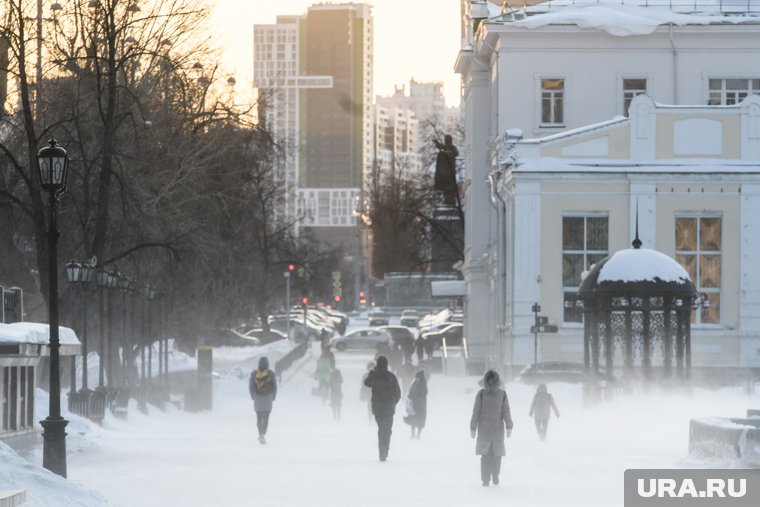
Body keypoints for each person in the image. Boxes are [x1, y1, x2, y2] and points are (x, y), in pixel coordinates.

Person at [470, 370, 513, 487]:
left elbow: (506, 411)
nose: (491, 382)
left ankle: (495, 474)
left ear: (497, 381)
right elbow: (476, 411)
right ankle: (485, 479)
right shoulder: (481, 394)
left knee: (497, 456)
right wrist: (472, 427)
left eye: (494, 380)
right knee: (485, 457)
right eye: (490, 380)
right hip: (484, 431)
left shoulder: (502, 394)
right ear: (486, 381)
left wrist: (509, 426)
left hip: (498, 431)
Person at [363, 355, 401, 462]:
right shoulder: (391, 376)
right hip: (389, 407)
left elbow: (367, 383)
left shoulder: (374, 375)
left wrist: (371, 373)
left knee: (381, 428)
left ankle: (381, 449)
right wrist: (393, 403)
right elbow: (398, 393)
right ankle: (385, 449)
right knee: (387, 430)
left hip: (377, 408)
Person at [249, 356, 278, 444]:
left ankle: (260, 434)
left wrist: (252, 396)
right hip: (268, 398)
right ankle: (263, 434)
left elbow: (251, 386)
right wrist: (273, 397)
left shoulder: (254, 374)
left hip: (257, 398)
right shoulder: (271, 373)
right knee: (266, 418)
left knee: (258, 417)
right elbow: (275, 386)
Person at [404, 370, 428, 439]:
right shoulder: (414, 384)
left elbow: (423, 395)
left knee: (420, 421)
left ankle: (418, 435)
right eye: (416, 378)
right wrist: (409, 397)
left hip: (421, 407)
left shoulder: (423, 386)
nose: (417, 379)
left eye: (418, 378)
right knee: (413, 420)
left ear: (421, 378)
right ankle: (413, 434)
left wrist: (414, 397)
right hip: (413, 406)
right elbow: (410, 392)